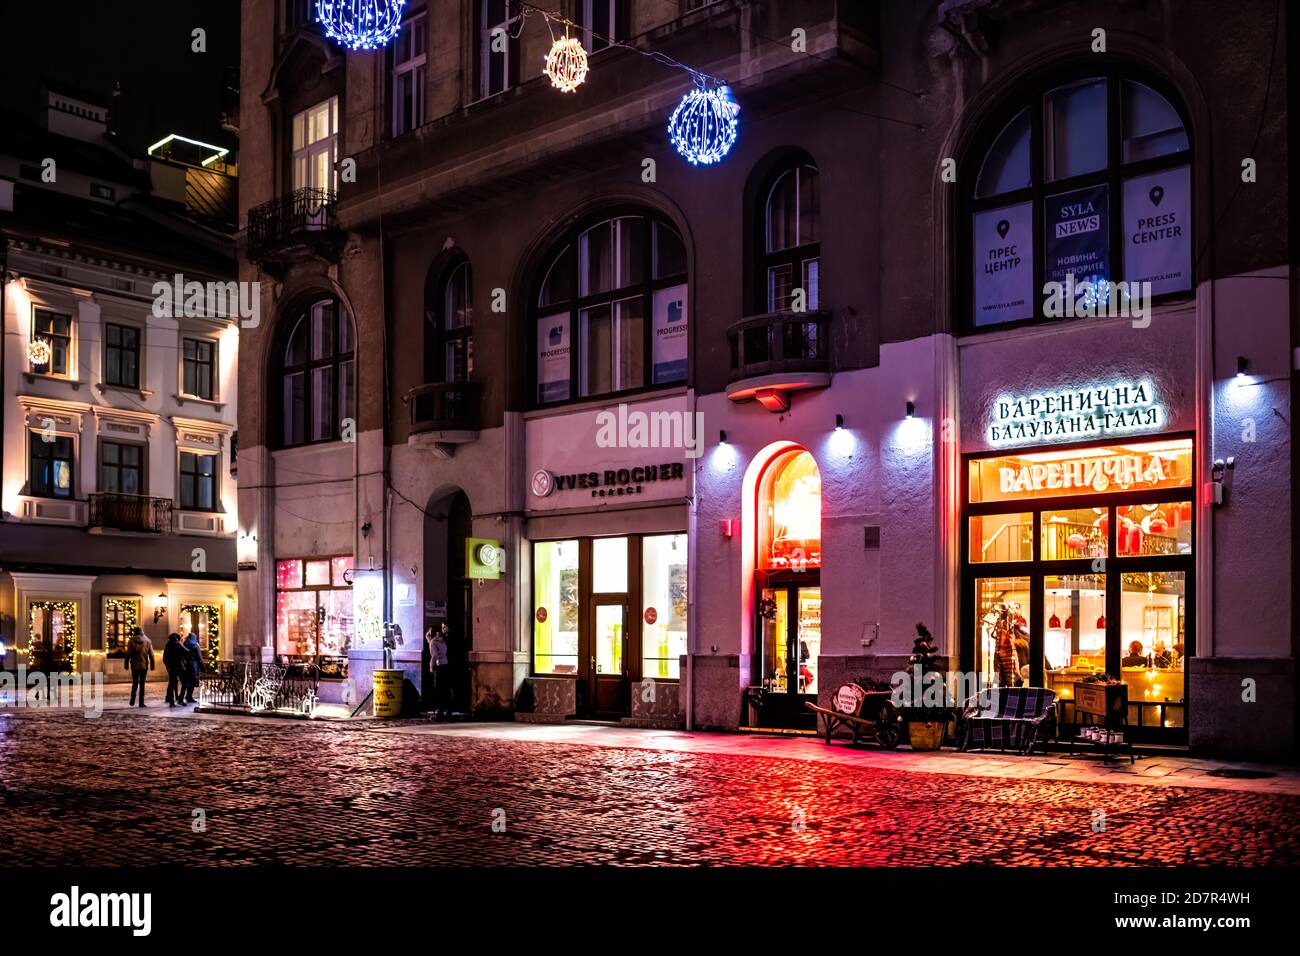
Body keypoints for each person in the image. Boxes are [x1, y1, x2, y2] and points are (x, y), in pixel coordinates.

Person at [124, 627, 154, 707]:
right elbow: (151, 654)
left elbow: (128, 653)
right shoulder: (148, 641)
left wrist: (126, 663)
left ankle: (132, 699)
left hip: (134, 665)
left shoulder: (131, 641)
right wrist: (152, 664)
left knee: (135, 682)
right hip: (144, 665)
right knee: (142, 684)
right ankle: (141, 702)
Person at [162, 633, 185, 707]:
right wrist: (168, 666)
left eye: (176, 639)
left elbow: (165, 658)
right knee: (177, 683)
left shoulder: (170, 646)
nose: (175, 640)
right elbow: (186, 652)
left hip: (176, 667)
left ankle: (176, 699)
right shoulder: (172, 646)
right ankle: (175, 700)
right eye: (174, 639)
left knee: (175, 683)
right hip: (175, 667)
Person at [181, 628, 203, 704]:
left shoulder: (185, 644)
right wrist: (202, 665)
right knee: (192, 681)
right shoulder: (195, 645)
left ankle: (185, 696)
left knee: (187, 681)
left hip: (186, 665)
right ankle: (189, 696)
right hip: (194, 665)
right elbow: (199, 656)